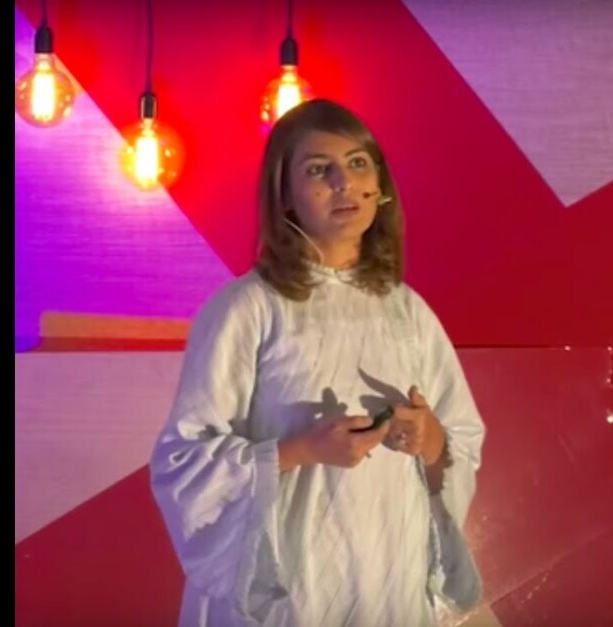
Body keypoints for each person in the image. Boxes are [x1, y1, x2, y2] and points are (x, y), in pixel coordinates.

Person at [149, 99, 486, 627]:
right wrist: (303, 449)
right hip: (290, 590)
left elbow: (459, 441)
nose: (343, 183)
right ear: (284, 195)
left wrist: (429, 437)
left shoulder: (409, 311)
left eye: (358, 163)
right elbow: (184, 462)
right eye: (317, 170)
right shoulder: (247, 308)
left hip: (389, 578)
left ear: (380, 185)